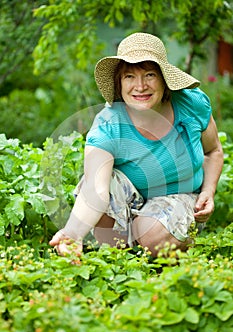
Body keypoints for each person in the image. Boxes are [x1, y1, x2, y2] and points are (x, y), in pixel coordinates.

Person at [49, 32, 224, 258]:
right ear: (119, 83)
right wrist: (73, 233)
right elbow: (96, 188)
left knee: (151, 237)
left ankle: (140, 245)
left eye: (149, 74)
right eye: (129, 76)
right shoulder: (108, 124)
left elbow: (213, 151)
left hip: (180, 196)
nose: (140, 86)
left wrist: (208, 191)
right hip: (128, 198)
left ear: (164, 79)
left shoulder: (191, 104)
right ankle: (118, 256)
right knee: (96, 183)